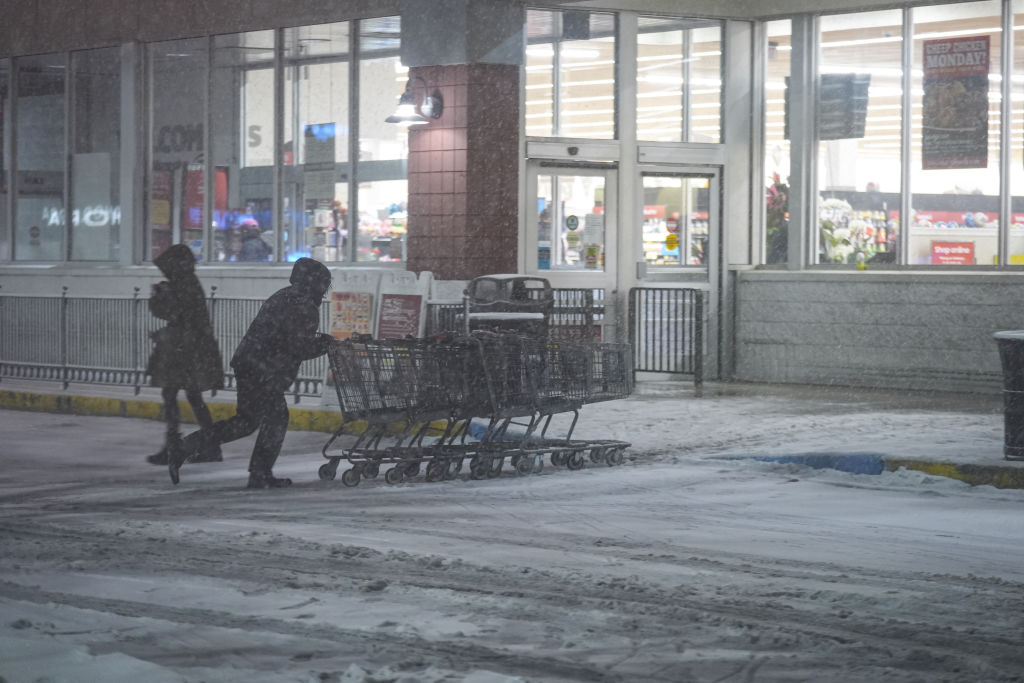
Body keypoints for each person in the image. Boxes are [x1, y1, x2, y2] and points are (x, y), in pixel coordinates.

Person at [169, 257, 334, 489]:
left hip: (250, 362)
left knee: (246, 421)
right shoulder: (304, 305)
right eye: (323, 284)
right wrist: (325, 345)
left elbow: (284, 336)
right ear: (314, 283)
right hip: (264, 369)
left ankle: (185, 447)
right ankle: (260, 473)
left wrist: (314, 343)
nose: (324, 290)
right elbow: (297, 346)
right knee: (276, 418)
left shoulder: (285, 295)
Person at [146, 244, 224, 466]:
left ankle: (175, 447)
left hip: (185, 351)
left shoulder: (183, 284)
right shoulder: (188, 282)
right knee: (192, 396)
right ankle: (210, 445)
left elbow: (175, 314)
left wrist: (159, 299)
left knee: (173, 395)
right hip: (191, 349)